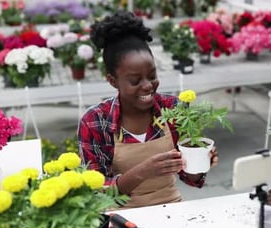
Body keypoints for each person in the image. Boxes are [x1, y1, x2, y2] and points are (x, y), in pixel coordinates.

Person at [78, 11, 218, 208]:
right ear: (112, 81)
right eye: (135, 81)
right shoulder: (95, 121)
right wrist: (142, 171)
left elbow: (190, 178)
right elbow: (97, 192)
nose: (147, 86)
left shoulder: (172, 108)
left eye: (152, 76)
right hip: (121, 217)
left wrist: (200, 163)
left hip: (171, 207)